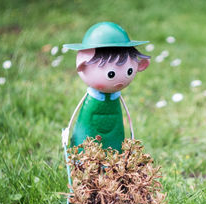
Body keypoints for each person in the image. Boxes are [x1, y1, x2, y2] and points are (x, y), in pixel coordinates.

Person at [63, 22, 150, 151]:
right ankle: (82, 158)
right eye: (111, 74)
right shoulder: (91, 100)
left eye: (129, 71)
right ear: (82, 65)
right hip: (89, 129)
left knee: (115, 141)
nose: (119, 82)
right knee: (86, 136)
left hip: (114, 128)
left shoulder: (116, 98)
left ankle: (115, 159)